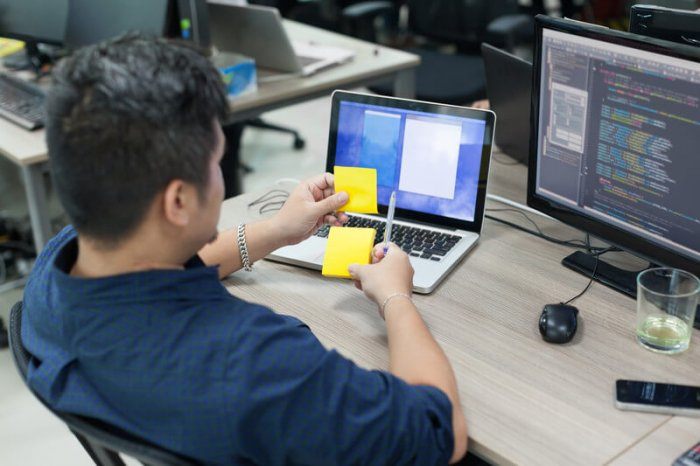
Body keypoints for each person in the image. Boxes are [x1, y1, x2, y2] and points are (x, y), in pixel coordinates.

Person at [21, 35, 467, 465]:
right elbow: (439, 430)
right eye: (217, 162)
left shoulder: (58, 270)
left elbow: (163, 257)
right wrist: (395, 298)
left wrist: (276, 230)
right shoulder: (260, 366)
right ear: (178, 201)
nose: (221, 177)